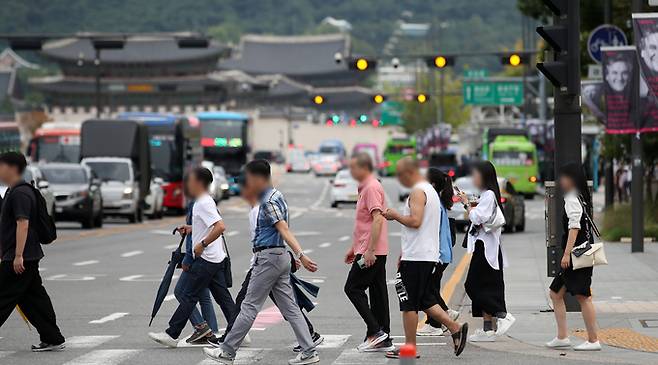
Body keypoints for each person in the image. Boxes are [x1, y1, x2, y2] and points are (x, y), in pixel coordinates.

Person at [204, 160, 320, 365]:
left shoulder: (267, 201)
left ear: (258, 178)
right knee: (290, 307)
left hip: (268, 258)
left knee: (249, 306)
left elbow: (283, 228)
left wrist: (301, 254)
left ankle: (227, 351)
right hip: (279, 257)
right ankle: (309, 350)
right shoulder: (278, 195)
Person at [382, 157, 468, 359]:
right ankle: (455, 327)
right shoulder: (429, 191)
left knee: (408, 303)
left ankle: (410, 349)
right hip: (423, 255)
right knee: (425, 300)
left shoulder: (418, 191)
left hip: (418, 257)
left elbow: (415, 221)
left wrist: (395, 215)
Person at [149, 167, 237, 347]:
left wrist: (201, 244)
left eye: (190, 181)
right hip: (215, 259)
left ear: (198, 183)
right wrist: (191, 229)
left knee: (186, 294)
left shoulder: (203, 202)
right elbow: (208, 225)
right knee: (223, 298)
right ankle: (239, 331)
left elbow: (220, 227)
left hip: (206, 258)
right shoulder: (204, 201)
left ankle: (172, 334)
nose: (187, 184)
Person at [0, 152, 65, 351]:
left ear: (11, 168)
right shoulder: (15, 191)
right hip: (24, 256)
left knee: (2, 295)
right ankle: (53, 338)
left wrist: (18, 255)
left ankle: (53, 337)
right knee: (34, 299)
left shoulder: (20, 193)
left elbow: (23, 224)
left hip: (21, 258)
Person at [546, 163, 600, 351]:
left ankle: (593, 340)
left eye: (564, 177)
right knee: (555, 293)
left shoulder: (571, 197)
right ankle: (562, 337)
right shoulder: (581, 197)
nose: (561, 181)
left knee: (583, 296)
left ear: (572, 179)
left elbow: (574, 227)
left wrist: (567, 253)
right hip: (580, 254)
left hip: (576, 256)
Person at [458, 161, 515, 342]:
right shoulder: (488, 194)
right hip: (487, 246)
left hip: (485, 248)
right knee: (487, 286)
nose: (473, 178)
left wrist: (467, 205)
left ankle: (503, 315)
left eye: (475, 174)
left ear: (483, 176)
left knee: (472, 285)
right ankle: (487, 329)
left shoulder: (489, 194)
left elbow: (477, 217)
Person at [343, 152, 393, 352]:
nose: (351, 172)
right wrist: (354, 249)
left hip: (372, 251)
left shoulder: (371, 187)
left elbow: (378, 219)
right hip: (370, 249)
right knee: (378, 292)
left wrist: (368, 251)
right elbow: (364, 225)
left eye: (354, 168)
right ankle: (383, 336)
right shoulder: (366, 187)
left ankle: (376, 331)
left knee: (352, 288)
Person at [172, 173, 219, 345]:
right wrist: (190, 228)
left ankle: (202, 327)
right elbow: (205, 227)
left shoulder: (199, 203)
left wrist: (187, 260)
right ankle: (211, 332)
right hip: (211, 257)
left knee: (181, 292)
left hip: (202, 257)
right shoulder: (206, 201)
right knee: (203, 295)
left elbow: (216, 228)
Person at [416, 167, 460, 336]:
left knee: (427, 290)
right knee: (431, 288)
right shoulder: (437, 201)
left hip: (438, 254)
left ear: (432, 183)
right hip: (441, 253)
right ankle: (444, 314)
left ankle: (436, 323)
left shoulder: (433, 203)